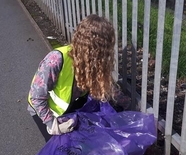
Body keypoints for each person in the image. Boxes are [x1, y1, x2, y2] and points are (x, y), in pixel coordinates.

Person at [27, 14, 118, 142]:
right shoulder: (56, 59)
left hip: (72, 104)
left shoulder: (93, 63)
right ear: (92, 49)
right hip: (46, 110)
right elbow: (36, 97)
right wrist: (53, 125)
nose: (107, 55)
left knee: (93, 141)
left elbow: (99, 91)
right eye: (104, 50)